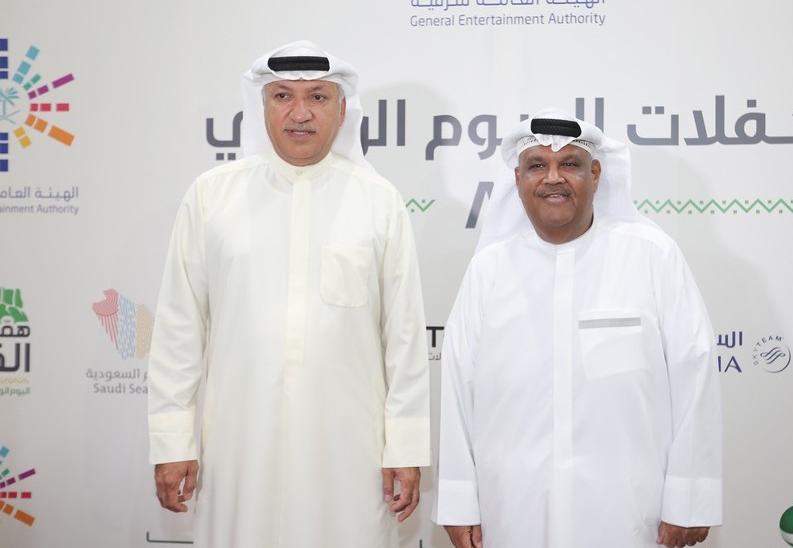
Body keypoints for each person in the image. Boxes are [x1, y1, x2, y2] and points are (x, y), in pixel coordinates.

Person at [147, 40, 430, 547]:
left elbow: (405, 338)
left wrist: (405, 448)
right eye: (283, 96)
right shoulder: (212, 196)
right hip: (238, 449)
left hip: (350, 453)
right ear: (262, 105)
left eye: (318, 97)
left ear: (342, 108)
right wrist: (172, 442)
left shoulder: (379, 202)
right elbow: (178, 330)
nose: (300, 113)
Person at [432, 110, 722, 548]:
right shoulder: (488, 271)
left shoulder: (652, 257)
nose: (553, 178)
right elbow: (457, 390)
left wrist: (690, 499)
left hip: (627, 512)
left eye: (569, 164)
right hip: (513, 508)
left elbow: (694, 374)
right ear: (518, 179)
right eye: (537, 165)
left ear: (596, 174)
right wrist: (458, 502)